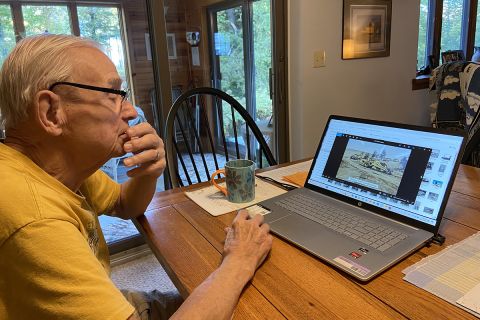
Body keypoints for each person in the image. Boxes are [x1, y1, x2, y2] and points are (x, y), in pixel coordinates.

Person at [0, 34, 272, 320]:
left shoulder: (57, 164)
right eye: (112, 95)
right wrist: (239, 260)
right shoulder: (34, 218)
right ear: (51, 113)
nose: (130, 112)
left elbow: (124, 203)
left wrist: (149, 171)